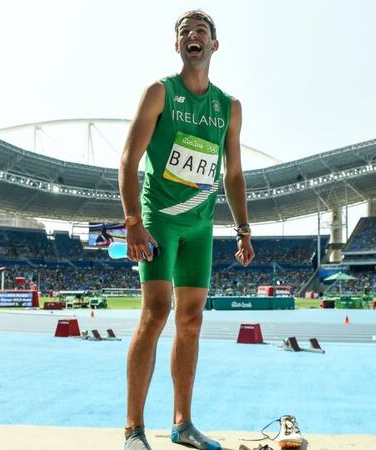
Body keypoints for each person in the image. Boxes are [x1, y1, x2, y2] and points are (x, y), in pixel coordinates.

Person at [118, 10, 254, 450]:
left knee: (191, 321)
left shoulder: (228, 107)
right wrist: (133, 223)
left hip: (200, 226)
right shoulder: (160, 93)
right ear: (177, 46)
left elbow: (232, 174)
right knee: (156, 313)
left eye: (201, 32)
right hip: (158, 222)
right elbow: (128, 160)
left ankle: (182, 424)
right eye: (184, 32)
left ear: (214, 45)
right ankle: (133, 429)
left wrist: (243, 229)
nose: (192, 36)